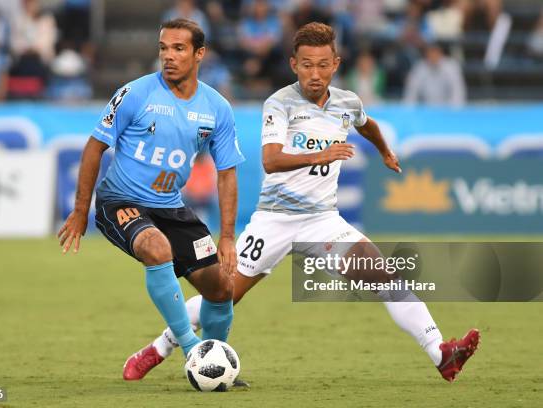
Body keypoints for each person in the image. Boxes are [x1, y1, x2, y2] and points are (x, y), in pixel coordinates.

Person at [129, 22, 479, 383]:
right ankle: (158, 348)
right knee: (224, 295)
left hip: (322, 222)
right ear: (294, 64)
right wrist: (320, 155)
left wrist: (385, 151)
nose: (316, 73)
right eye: (308, 65)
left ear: (336, 63)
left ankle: (442, 354)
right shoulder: (280, 104)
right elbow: (270, 159)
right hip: (274, 221)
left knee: (387, 277)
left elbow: (366, 123)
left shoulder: (347, 102)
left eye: (323, 64)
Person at [57, 18, 245, 380]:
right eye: (163, 48)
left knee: (222, 285)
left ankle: (217, 363)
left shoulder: (217, 108)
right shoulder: (136, 93)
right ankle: (194, 353)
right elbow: (95, 147)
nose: (168, 56)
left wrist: (226, 236)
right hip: (119, 201)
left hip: (170, 207)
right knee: (156, 248)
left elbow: (227, 173)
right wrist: (81, 210)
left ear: (199, 54)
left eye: (178, 48)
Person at [403, 42, 466, 107]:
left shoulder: (451, 67)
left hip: (447, 109)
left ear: (441, 53)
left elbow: (458, 91)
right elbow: (412, 92)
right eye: (430, 53)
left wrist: (454, 111)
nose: (433, 56)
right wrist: (409, 111)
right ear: (426, 54)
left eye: (435, 53)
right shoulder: (419, 67)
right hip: (425, 109)